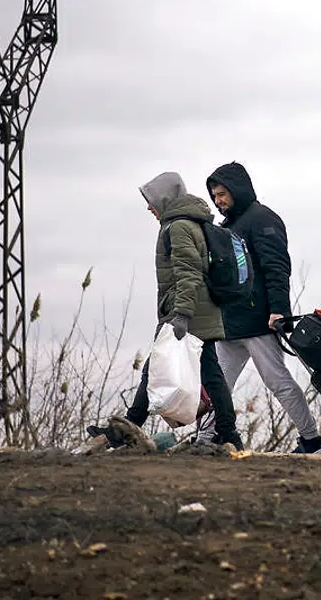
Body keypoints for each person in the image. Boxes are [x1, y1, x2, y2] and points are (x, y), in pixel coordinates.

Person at [89, 172, 242, 450]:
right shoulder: (185, 223)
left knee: (160, 369)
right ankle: (230, 434)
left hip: (187, 313)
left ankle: (126, 429)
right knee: (204, 373)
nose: (149, 207)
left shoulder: (179, 227)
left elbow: (189, 274)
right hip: (194, 310)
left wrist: (181, 315)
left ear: (164, 197)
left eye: (150, 200)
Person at [205, 162, 321, 454]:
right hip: (230, 322)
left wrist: (279, 310)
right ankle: (205, 439)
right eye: (215, 196)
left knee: (278, 381)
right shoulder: (229, 226)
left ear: (237, 190)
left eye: (222, 194)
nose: (219, 201)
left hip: (258, 319)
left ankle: (312, 440)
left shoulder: (262, 219)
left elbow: (276, 267)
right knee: (217, 385)